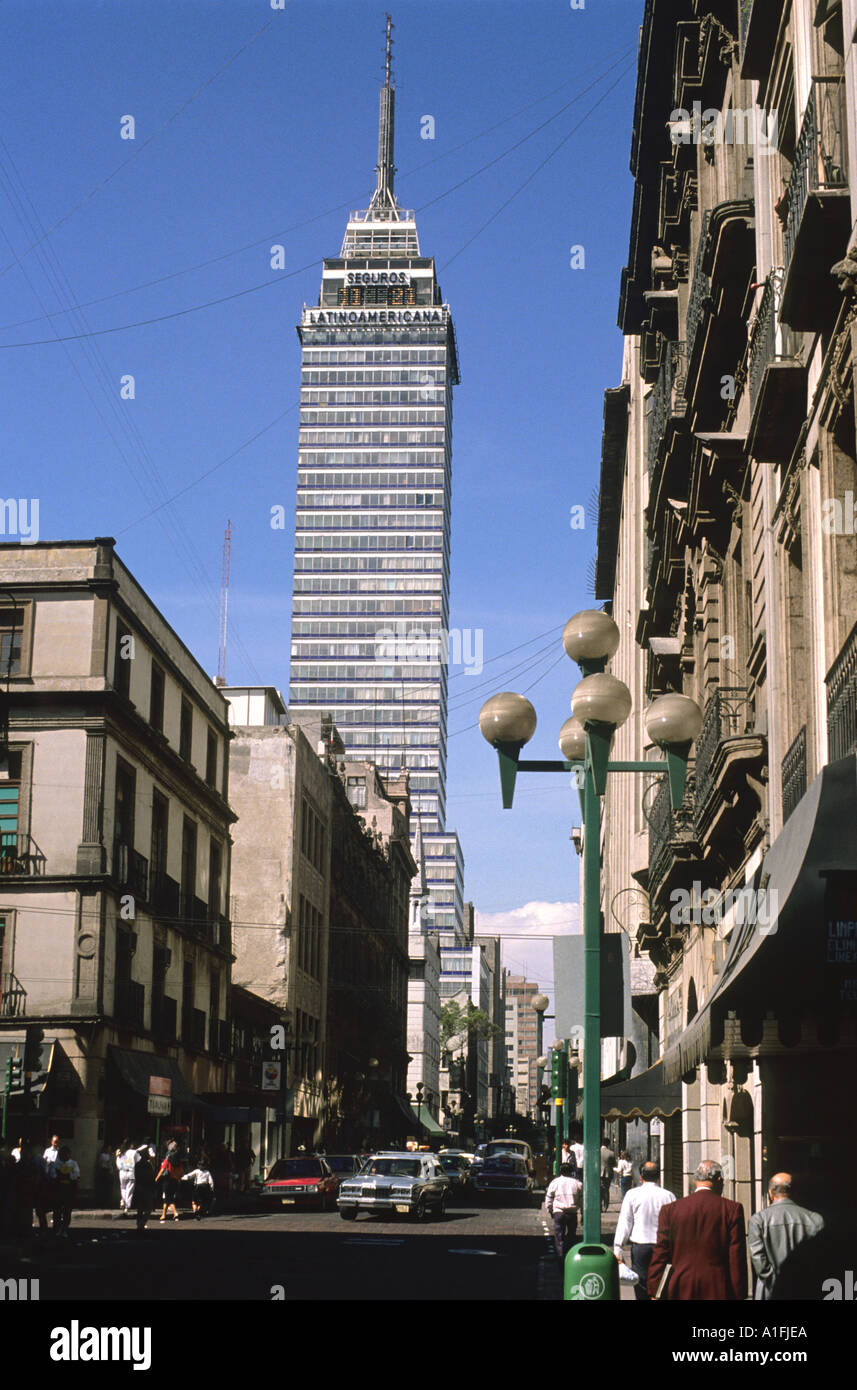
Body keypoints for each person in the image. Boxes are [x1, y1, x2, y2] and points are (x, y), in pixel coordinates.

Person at [648, 1159, 747, 1300]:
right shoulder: (732, 1209)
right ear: (719, 1180)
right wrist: (739, 1293)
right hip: (717, 1287)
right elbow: (736, 1257)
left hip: (680, 1285)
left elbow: (661, 1252)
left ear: (695, 1180)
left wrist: (654, 1289)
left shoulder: (670, 1210)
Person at [748, 1172, 824, 1300]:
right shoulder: (814, 1219)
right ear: (794, 1192)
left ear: (770, 1194)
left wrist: (778, 1285)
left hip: (769, 1292)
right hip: (805, 1290)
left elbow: (759, 1262)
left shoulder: (758, 1220)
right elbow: (820, 1260)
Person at [613, 1160, 676, 1300]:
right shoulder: (669, 1196)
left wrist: (618, 1248)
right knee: (661, 1285)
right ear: (658, 1176)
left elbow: (625, 1222)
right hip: (662, 1247)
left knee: (641, 1285)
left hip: (640, 1247)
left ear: (641, 1177)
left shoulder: (632, 1194)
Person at [545, 1162, 583, 1261]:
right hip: (572, 1213)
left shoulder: (555, 1182)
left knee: (559, 1237)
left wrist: (550, 1210)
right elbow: (582, 1200)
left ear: (560, 1171)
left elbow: (549, 1198)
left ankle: (560, 1257)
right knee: (571, 1236)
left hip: (559, 1212)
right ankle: (570, 1257)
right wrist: (582, 1212)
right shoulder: (577, 1183)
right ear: (571, 1172)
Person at [51, 1145, 80, 1237]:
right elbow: (53, 1175)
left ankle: (64, 1229)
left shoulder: (73, 1164)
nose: (64, 1156)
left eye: (66, 1154)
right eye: (62, 1154)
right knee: (57, 1211)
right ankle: (57, 1229)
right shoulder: (56, 1164)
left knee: (67, 1211)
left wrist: (63, 1175)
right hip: (58, 1190)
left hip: (69, 1190)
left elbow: (75, 1176)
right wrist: (66, 1176)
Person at [132, 1144, 157, 1234]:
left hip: (140, 1188)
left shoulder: (138, 1165)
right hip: (146, 1188)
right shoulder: (147, 1165)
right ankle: (141, 1223)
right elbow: (150, 1177)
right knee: (148, 1207)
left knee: (140, 1208)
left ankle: (139, 1224)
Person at [156, 1146, 185, 1221]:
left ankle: (175, 1213)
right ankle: (163, 1215)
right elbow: (182, 1174)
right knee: (168, 1198)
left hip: (167, 1181)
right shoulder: (179, 1163)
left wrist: (156, 1178)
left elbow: (162, 1170)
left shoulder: (167, 1161)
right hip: (175, 1181)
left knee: (168, 1199)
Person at [117, 1139, 138, 1214]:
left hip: (122, 1172)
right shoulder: (134, 1152)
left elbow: (118, 1164)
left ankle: (123, 1201)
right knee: (130, 1190)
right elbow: (138, 1161)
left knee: (123, 1188)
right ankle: (127, 1206)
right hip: (131, 1172)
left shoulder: (120, 1153)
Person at [600, 1139, 615, 1212]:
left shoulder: (597, 1151)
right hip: (607, 1174)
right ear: (608, 1144)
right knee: (606, 1190)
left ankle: (599, 1205)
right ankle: (605, 1206)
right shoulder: (611, 1153)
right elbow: (614, 1164)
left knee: (599, 1190)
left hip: (598, 1173)